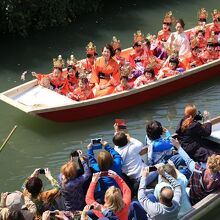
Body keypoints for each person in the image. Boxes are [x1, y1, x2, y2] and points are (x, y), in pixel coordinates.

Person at [172, 138, 220, 205]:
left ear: (208, 164)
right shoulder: (218, 179)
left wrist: (178, 146)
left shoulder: (197, 169)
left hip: (193, 198)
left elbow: (187, 159)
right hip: (203, 198)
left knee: (183, 176)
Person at [113, 131, 147, 197]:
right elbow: (140, 144)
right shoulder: (132, 148)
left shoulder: (116, 150)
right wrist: (129, 137)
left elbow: (117, 142)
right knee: (158, 167)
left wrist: (116, 131)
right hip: (140, 176)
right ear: (126, 139)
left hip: (129, 177)